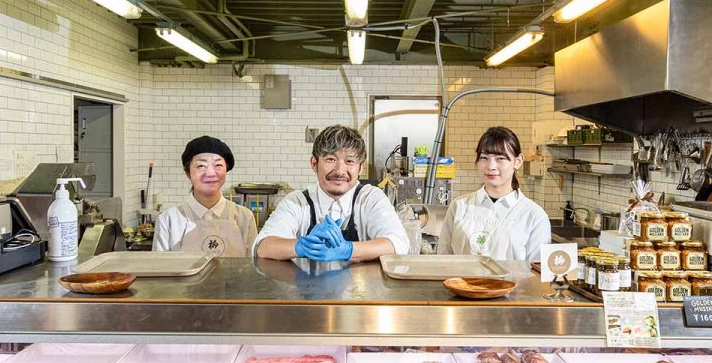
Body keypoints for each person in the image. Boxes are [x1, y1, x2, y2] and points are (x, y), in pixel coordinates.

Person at [254, 124, 409, 262]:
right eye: (330, 159)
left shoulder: (371, 198)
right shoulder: (297, 201)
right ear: (314, 164)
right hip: (306, 285)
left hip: (361, 286)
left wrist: (348, 250)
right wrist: (301, 246)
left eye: (349, 161)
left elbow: (397, 243)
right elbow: (263, 247)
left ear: (360, 168)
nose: (340, 171)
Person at [437, 126, 550, 262]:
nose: (491, 166)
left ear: (518, 161)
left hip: (513, 278)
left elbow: (537, 270)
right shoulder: (459, 206)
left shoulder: (534, 216)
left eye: (500, 158)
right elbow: (443, 258)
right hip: (460, 277)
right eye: (484, 158)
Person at [153, 135, 257, 256]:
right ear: (188, 172)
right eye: (201, 166)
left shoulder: (244, 217)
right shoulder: (168, 220)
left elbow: (253, 266)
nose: (210, 173)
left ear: (226, 170)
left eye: (218, 165)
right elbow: (159, 266)